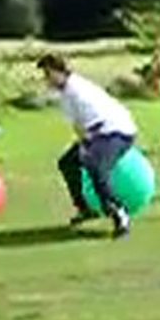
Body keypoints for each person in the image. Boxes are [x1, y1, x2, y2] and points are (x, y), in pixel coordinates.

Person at [37, 52, 135, 238]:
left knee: (96, 165)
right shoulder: (66, 93)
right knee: (67, 162)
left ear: (60, 72)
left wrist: (87, 147)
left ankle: (120, 213)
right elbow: (79, 126)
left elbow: (94, 125)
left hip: (118, 131)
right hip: (99, 133)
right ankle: (85, 209)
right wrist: (84, 144)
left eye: (48, 74)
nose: (46, 79)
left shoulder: (77, 91)